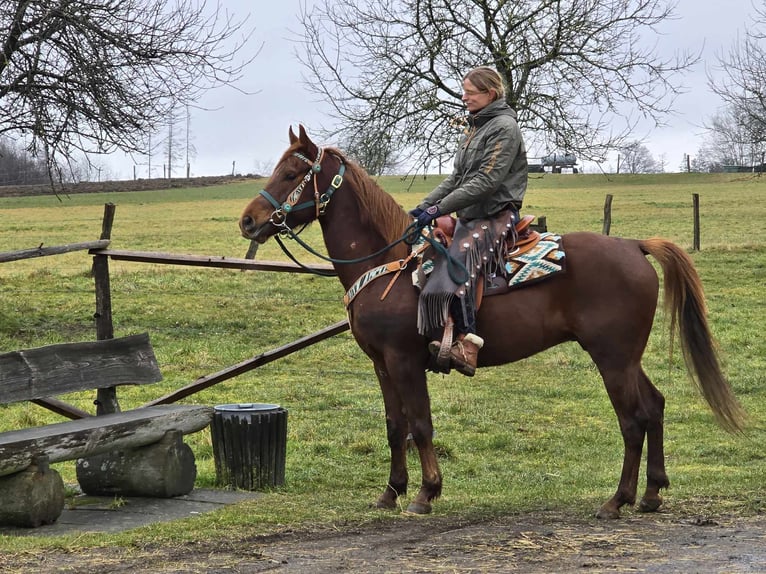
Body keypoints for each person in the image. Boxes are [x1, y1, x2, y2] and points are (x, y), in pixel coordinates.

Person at [409, 66, 528, 377]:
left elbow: (487, 181)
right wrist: (422, 208)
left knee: (459, 267)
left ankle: (468, 345)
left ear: (490, 94)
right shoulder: (475, 129)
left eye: (469, 92)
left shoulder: (504, 127)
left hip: (495, 213)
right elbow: (457, 179)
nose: (463, 97)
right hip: (472, 214)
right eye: (464, 91)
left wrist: (439, 210)